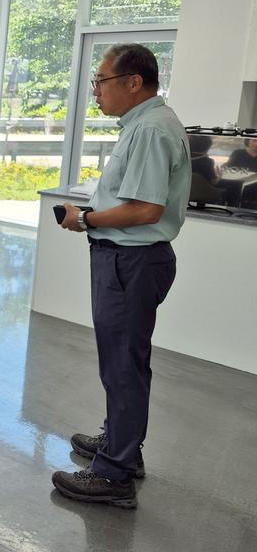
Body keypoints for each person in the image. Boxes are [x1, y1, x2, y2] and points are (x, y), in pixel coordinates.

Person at [51, 44, 189, 509]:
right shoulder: (147, 124)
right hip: (128, 261)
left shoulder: (150, 129)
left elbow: (146, 209)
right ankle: (121, 448)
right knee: (121, 363)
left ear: (134, 81)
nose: (96, 92)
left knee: (124, 367)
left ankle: (115, 476)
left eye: (102, 81)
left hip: (130, 263)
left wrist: (86, 220)